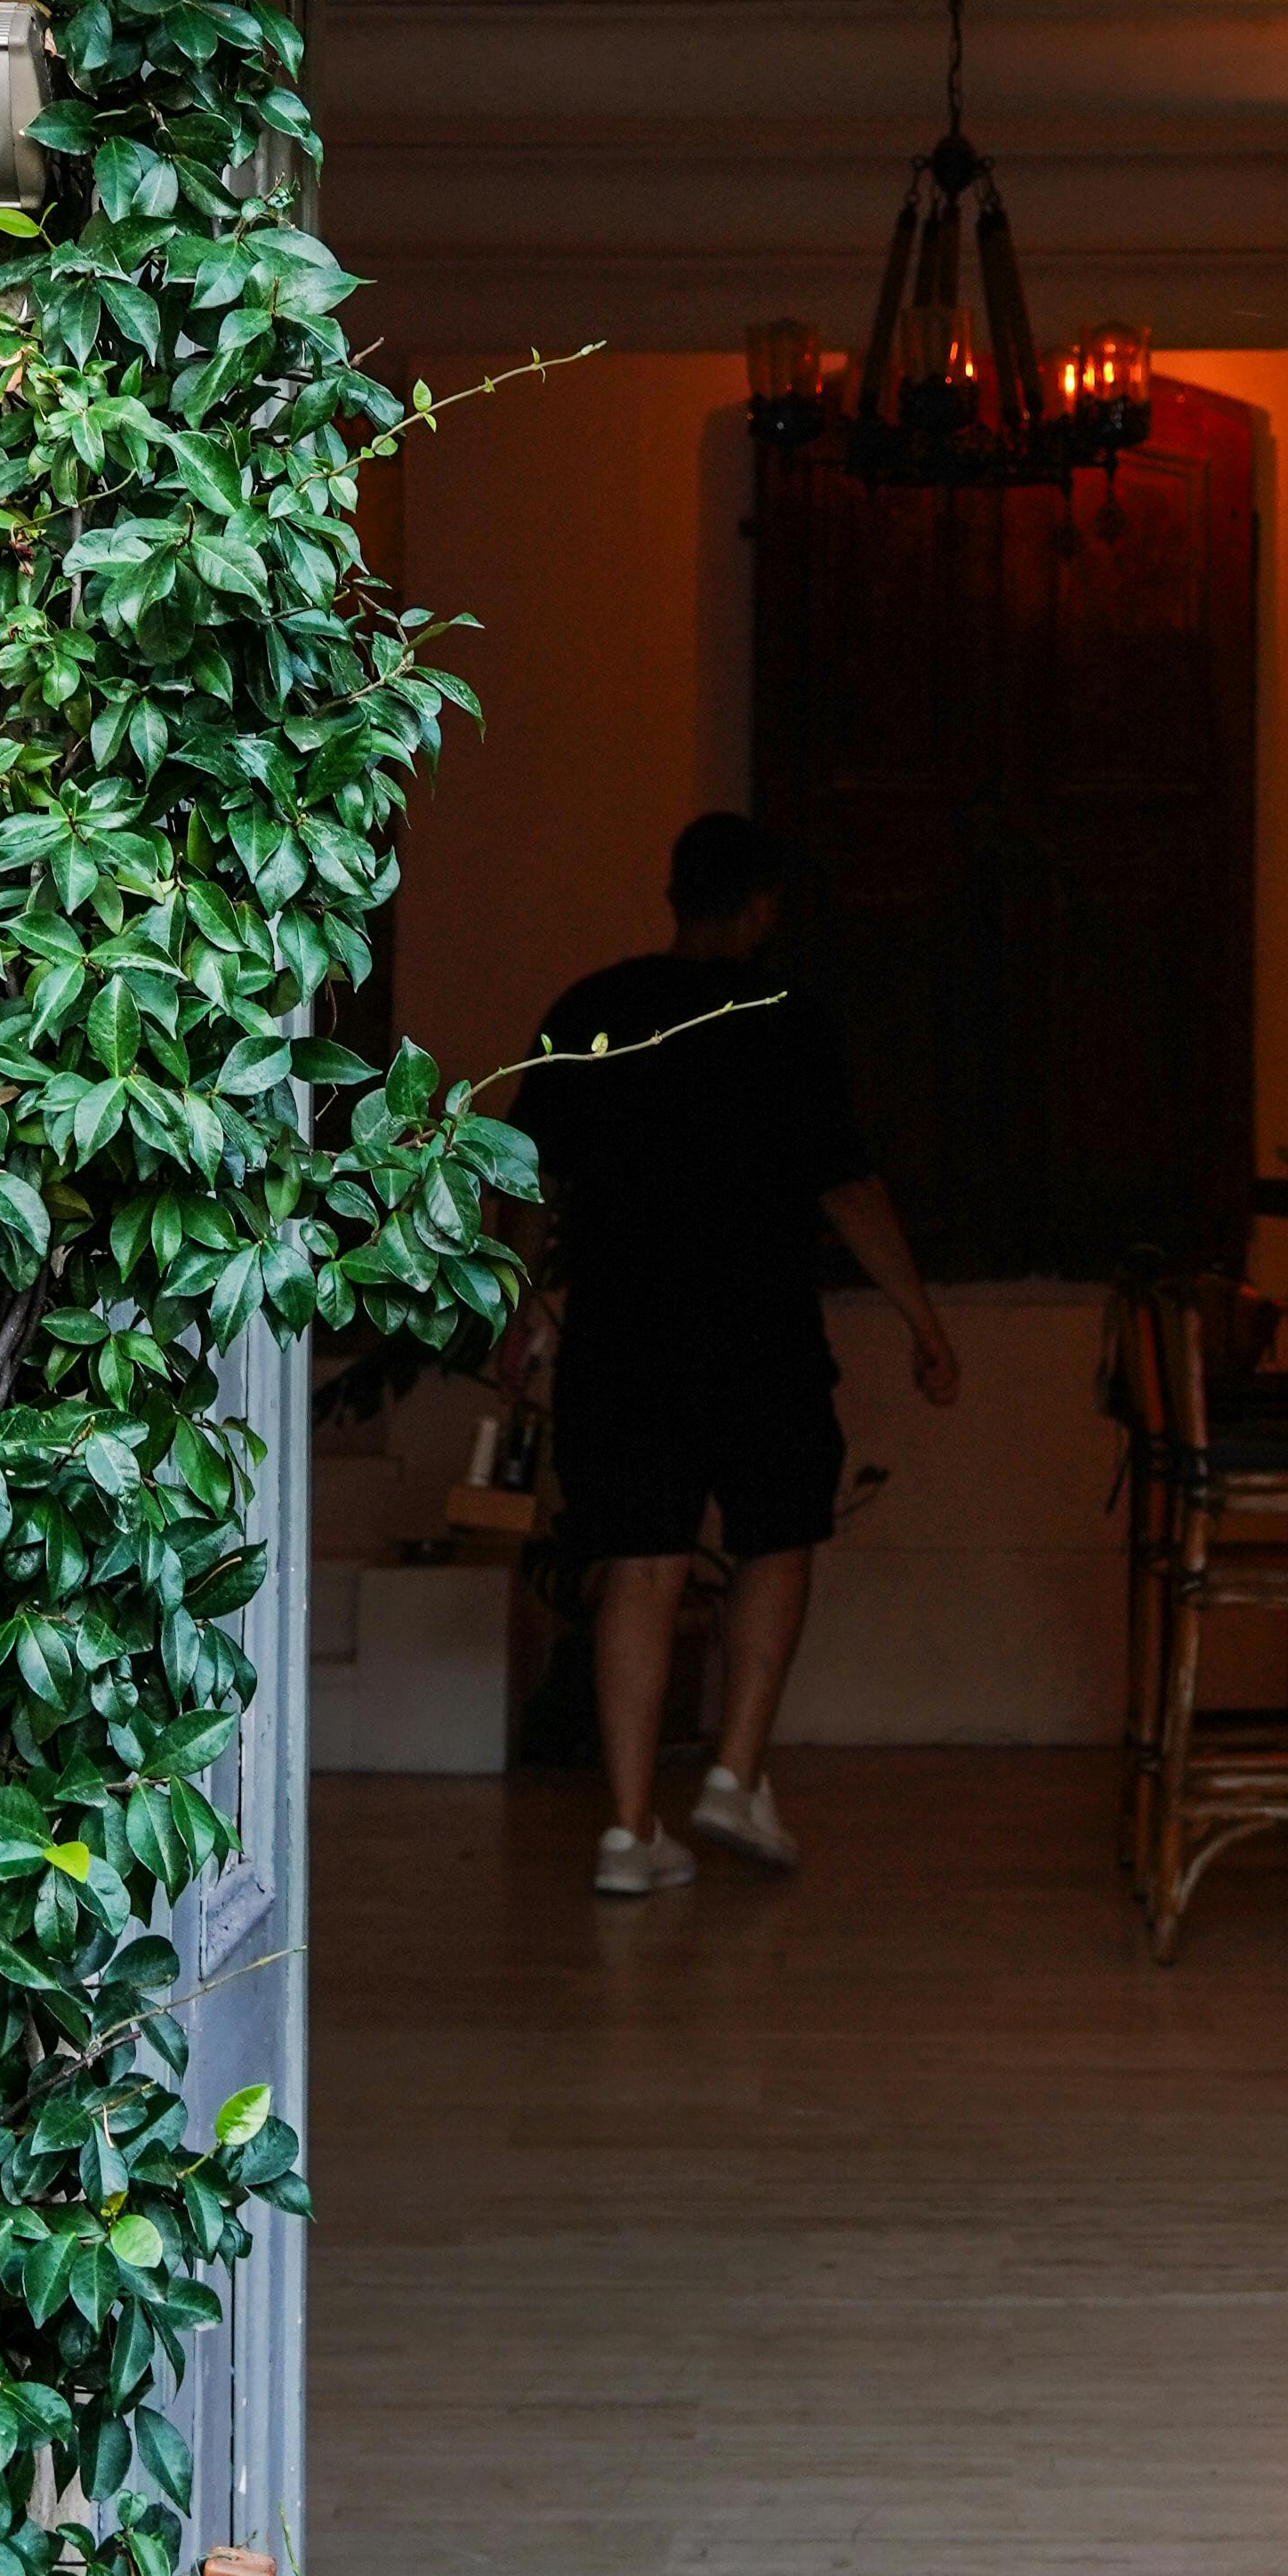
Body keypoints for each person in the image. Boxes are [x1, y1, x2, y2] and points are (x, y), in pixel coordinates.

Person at [504, 810, 960, 1898]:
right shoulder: (785, 1017)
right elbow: (848, 1186)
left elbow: (524, 1174)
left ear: (674, 895)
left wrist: (518, 1304)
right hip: (758, 1325)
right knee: (779, 1534)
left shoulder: (592, 1007)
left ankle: (626, 1830)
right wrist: (922, 1321)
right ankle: (733, 1773)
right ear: (760, 906)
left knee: (643, 1559)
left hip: (621, 1328)